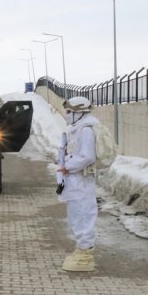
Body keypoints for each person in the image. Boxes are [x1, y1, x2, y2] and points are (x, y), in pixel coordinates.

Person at [57, 96, 99, 272]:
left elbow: (88, 156)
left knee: (83, 215)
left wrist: (67, 167)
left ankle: (85, 254)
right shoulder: (76, 130)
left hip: (81, 180)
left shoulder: (86, 130)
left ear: (78, 113)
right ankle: (81, 250)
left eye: (69, 112)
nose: (66, 115)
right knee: (76, 216)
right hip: (75, 182)